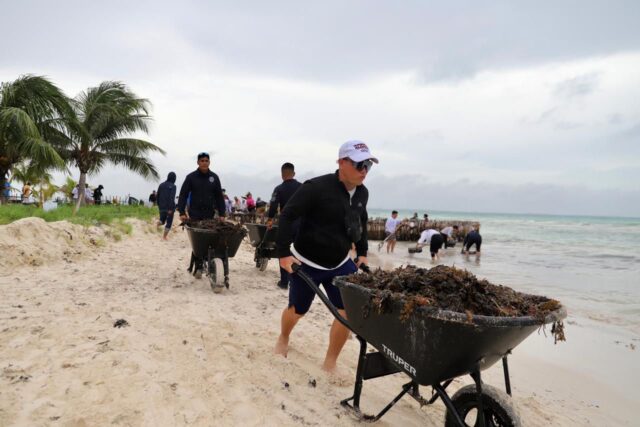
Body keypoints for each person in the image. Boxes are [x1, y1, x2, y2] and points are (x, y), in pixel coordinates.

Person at [274, 140, 377, 373]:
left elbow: (360, 220)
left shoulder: (362, 192)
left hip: (340, 262)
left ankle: (330, 361)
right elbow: (287, 216)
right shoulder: (316, 187)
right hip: (306, 261)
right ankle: (283, 336)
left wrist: (362, 253)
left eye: (368, 165)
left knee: (347, 313)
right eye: (360, 165)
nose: (364, 171)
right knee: (297, 310)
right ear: (342, 162)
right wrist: (283, 255)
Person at [177, 152, 226, 280]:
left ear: (209, 162)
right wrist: (182, 212)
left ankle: (207, 261)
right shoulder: (191, 177)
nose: (204, 162)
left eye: (206, 160)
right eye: (202, 160)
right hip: (195, 214)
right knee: (198, 240)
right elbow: (183, 194)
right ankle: (198, 265)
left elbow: (219, 197)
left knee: (209, 239)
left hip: (209, 214)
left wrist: (222, 214)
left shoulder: (214, 178)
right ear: (198, 162)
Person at [267, 162, 302, 290]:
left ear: (282, 175)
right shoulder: (302, 187)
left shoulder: (279, 189)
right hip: (300, 222)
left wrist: (270, 219)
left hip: (285, 222)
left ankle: (284, 282)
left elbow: (273, 205)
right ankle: (297, 280)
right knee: (299, 251)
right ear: (294, 173)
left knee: (284, 250)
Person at [156, 172, 177, 240]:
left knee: (162, 220)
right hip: (169, 207)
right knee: (169, 222)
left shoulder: (161, 185)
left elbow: (158, 195)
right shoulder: (173, 186)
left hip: (161, 206)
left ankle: (157, 225)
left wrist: (159, 205)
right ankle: (164, 237)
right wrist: (171, 208)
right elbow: (172, 197)